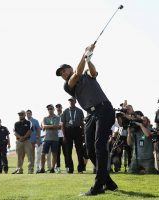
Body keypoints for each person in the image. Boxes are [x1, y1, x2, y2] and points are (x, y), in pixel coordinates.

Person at [56, 44, 117, 196]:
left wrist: (88, 57)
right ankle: (109, 182)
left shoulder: (87, 74)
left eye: (64, 70)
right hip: (90, 115)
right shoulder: (68, 85)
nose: (63, 74)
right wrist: (84, 54)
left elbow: (93, 71)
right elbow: (76, 74)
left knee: (99, 145)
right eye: (61, 73)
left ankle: (98, 185)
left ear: (70, 68)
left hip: (104, 109)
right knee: (89, 150)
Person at [62, 97, 85, 173]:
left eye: (72, 101)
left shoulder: (79, 111)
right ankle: (70, 168)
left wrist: (83, 133)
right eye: (70, 101)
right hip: (68, 131)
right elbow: (63, 124)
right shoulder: (65, 111)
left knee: (79, 150)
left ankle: (80, 168)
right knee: (68, 151)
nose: (71, 102)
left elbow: (82, 123)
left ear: (75, 102)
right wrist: (64, 136)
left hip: (77, 130)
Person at [37, 104, 61, 173]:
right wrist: (51, 126)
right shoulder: (45, 118)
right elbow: (43, 126)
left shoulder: (57, 117)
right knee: (43, 154)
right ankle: (42, 168)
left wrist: (47, 126)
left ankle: (52, 168)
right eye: (48, 109)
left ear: (53, 109)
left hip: (55, 138)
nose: (49, 110)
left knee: (54, 154)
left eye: (51, 108)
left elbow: (56, 126)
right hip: (46, 138)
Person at [55, 103, 68, 173]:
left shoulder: (64, 115)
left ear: (61, 108)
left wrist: (59, 126)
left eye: (59, 107)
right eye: (57, 107)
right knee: (57, 153)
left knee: (65, 153)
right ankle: (58, 167)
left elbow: (64, 125)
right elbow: (55, 126)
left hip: (64, 136)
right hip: (57, 137)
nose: (58, 108)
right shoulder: (55, 117)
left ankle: (67, 167)